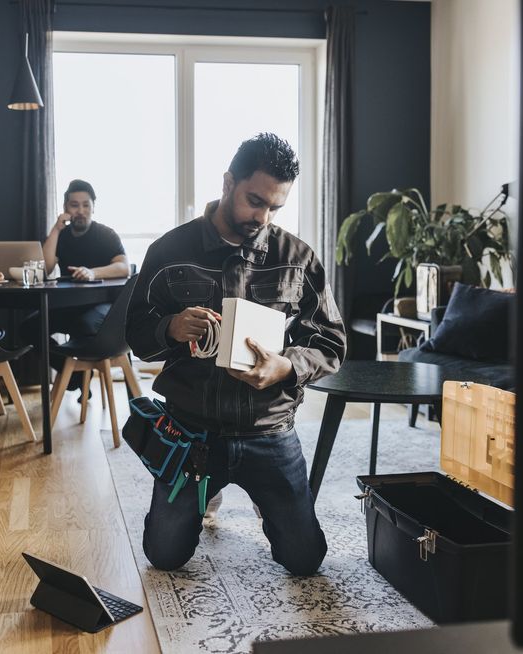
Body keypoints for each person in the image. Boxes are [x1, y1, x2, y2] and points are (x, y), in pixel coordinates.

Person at [124, 133, 347, 576]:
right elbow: (135, 336)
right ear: (228, 183)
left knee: (305, 561)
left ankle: (262, 497)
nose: (263, 217)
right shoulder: (168, 252)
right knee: (164, 557)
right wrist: (168, 327)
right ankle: (208, 489)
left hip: (269, 429)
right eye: (255, 201)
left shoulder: (297, 258)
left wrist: (286, 366)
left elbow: (331, 342)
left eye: (275, 208)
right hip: (191, 433)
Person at [21, 179, 130, 390]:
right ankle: (72, 374)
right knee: (28, 328)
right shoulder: (61, 236)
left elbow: (124, 267)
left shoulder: (105, 234)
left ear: (93, 207)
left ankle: (77, 375)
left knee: (84, 324)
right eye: (74, 205)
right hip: (69, 307)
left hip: (102, 308)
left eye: (86, 205)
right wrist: (56, 228)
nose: (80, 210)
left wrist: (92, 272)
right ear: (66, 208)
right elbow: (44, 267)